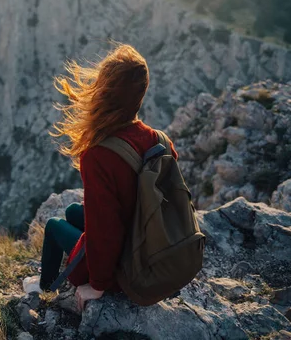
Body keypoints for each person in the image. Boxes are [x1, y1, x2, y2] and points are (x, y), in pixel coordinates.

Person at [22, 44, 178, 312]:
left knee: (55, 225)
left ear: (104, 93)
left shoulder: (99, 155)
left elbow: (106, 228)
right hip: (148, 243)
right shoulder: (160, 141)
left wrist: (98, 284)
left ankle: (45, 286)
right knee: (73, 211)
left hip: (124, 263)